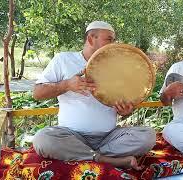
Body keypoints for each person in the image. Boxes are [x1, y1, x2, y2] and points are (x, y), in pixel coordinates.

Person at [32, 21, 156, 170]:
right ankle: (107, 159)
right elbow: (37, 93)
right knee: (43, 139)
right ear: (91, 39)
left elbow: (122, 105)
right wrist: (67, 85)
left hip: (108, 138)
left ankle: (90, 156)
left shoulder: (116, 67)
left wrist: (126, 112)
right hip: (71, 136)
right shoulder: (63, 60)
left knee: (148, 136)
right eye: (109, 39)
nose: (113, 44)